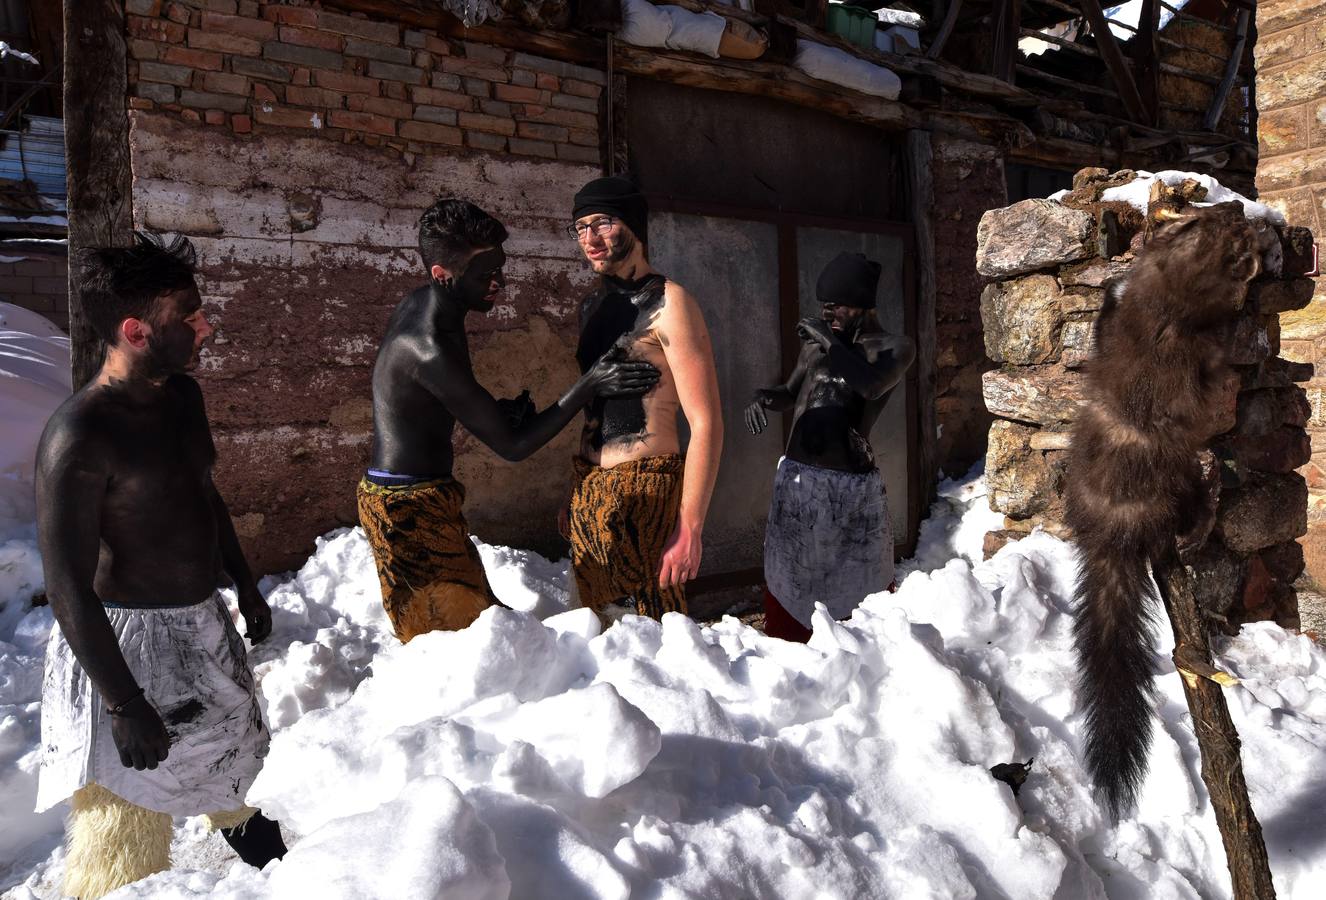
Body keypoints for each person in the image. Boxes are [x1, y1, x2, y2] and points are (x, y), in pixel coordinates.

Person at [34, 234, 285, 899]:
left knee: (224, 751)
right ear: (135, 330)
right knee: (126, 821)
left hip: (197, 626)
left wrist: (243, 580)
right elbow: (66, 591)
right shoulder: (81, 434)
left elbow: (202, 492)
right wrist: (124, 704)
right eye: (190, 315)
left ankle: (255, 842)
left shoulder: (182, 399)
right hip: (124, 650)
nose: (207, 324)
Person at [361, 197, 659, 642]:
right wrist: (590, 385)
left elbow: (429, 400)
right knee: (459, 649)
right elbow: (514, 447)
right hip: (406, 514)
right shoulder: (427, 346)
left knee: (491, 634)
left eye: (500, 268)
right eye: (486, 275)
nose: (499, 283)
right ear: (442, 275)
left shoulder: (433, 305)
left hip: (426, 497)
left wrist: (496, 411)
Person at [564, 176, 723, 623]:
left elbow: (706, 421)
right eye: (579, 228)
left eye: (601, 223)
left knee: (650, 642)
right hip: (590, 495)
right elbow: (594, 408)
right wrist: (575, 493)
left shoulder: (671, 302)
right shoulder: (591, 308)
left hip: (646, 498)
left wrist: (690, 527)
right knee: (595, 643)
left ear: (632, 224)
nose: (589, 239)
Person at [745, 251, 915, 642]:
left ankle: (855, 657)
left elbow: (869, 385)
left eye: (835, 305)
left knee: (856, 584)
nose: (827, 313)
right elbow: (789, 393)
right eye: (823, 305)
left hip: (849, 490)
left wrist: (829, 342)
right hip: (798, 483)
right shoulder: (816, 349)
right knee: (792, 576)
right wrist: (761, 397)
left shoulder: (893, 348)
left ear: (862, 305)